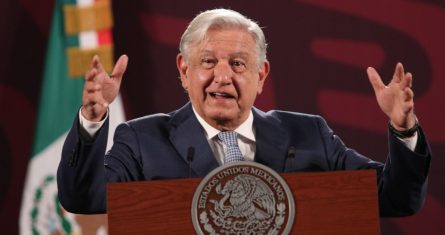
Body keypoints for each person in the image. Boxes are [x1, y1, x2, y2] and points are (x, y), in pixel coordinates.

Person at [57, 8, 431, 216]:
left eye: (238, 64)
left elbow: (395, 199)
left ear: (261, 75)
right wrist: (92, 120)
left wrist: (404, 130)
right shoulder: (142, 140)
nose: (222, 76)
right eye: (208, 61)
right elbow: (83, 199)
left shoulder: (308, 135)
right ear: (184, 72)